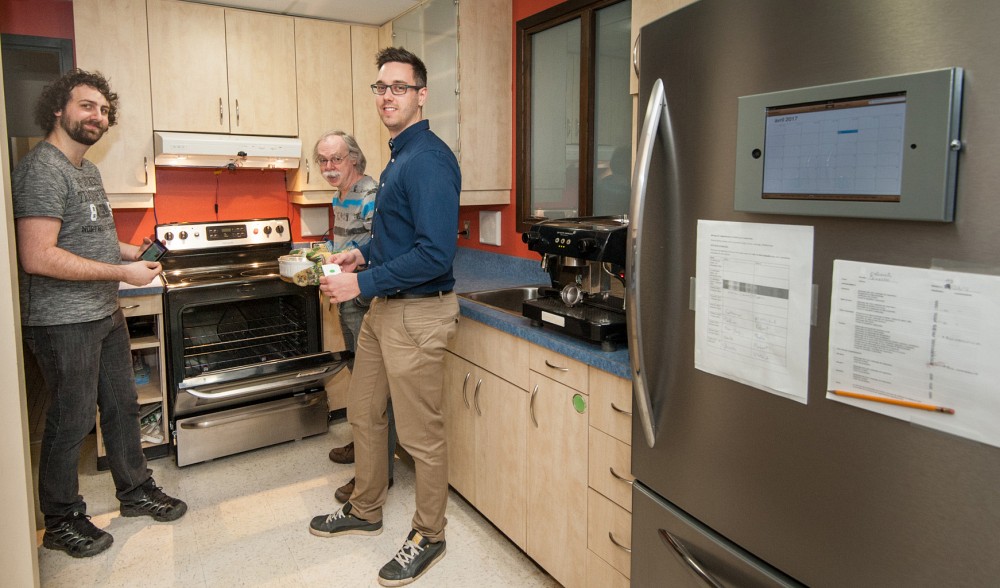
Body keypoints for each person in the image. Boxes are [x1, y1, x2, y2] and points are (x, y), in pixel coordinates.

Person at [13, 69, 187, 559]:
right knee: (71, 420)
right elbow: (37, 256)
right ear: (58, 108)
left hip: (103, 310)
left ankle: (136, 491)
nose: (98, 117)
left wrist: (131, 254)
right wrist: (121, 273)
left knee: (122, 405)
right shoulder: (42, 170)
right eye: (87, 106)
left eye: (105, 110)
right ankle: (61, 519)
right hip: (62, 319)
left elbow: (92, 240)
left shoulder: (85, 170)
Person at [309, 47, 461, 586]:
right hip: (386, 307)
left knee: (421, 436)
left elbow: (435, 254)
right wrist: (362, 254)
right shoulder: (399, 156)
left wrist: (361, 282)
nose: (388, 96)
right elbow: (399, 238)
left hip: (418, 313)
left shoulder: (429, 159)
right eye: (381, 87)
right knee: (364, 411)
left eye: (400, 87)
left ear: (421, 95)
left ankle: (430, 533)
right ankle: (366, 507)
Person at [313, 130, 398, 503]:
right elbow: (348, 242)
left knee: (372, 388)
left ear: (354, 159)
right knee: (357, 375)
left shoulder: (369, 194)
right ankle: (363, 445)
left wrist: (354, 275)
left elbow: (381, 247)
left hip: (364, 297)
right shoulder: (340, 195)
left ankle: (377, 472)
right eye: (323, 160)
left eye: (336, 158)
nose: (329, 166)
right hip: (346, 294)